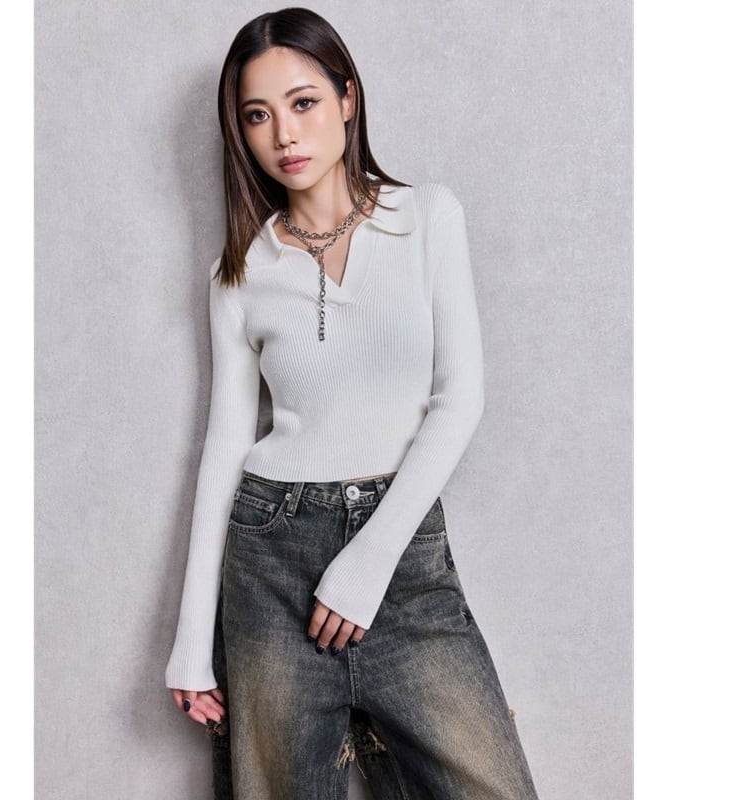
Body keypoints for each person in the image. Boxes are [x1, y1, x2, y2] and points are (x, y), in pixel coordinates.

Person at [166, 7, 539, 799]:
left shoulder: (427, 216)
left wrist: (369, 563)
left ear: (347, 98)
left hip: (401, 554)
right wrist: (192, 642)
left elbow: (459, 399)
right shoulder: (238, 272)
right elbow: (225, 446)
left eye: (303, 102)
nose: (284, 135)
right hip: (270, 557)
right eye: (257, 115)